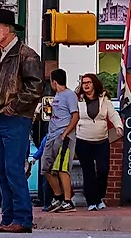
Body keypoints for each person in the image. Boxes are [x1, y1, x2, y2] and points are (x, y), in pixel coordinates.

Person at [0, 7, 46, 232]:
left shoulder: (26, 55)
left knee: (13, 168)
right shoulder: (1, 55)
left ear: (7, 29)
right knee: (3, 169)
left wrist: (13, 106)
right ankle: (9, 218)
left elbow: (36, 87)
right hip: (0, 118)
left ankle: (21, 219)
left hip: (16, 118)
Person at [71, 72, 117, 211]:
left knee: (103, 169)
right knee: (88, 171)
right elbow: (72, 116)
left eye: (88, 82)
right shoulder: (78, 100)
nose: (85, 85)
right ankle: (92, 201)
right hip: (83, 139)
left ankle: (99, 197)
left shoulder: (104, 100)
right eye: (84, 83)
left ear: (94, 84)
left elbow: (113, 114)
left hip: (101, 140)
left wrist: (118, 126)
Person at [40, 67, 77, 212]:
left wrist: (65, 134)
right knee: (46, 168)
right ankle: (58, 196)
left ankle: (68, 201)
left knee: (62, 169)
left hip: (64, 136)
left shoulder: (69, 95)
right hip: (52, 135)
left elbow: (75, 116)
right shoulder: (57, 96)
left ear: (54, 81)